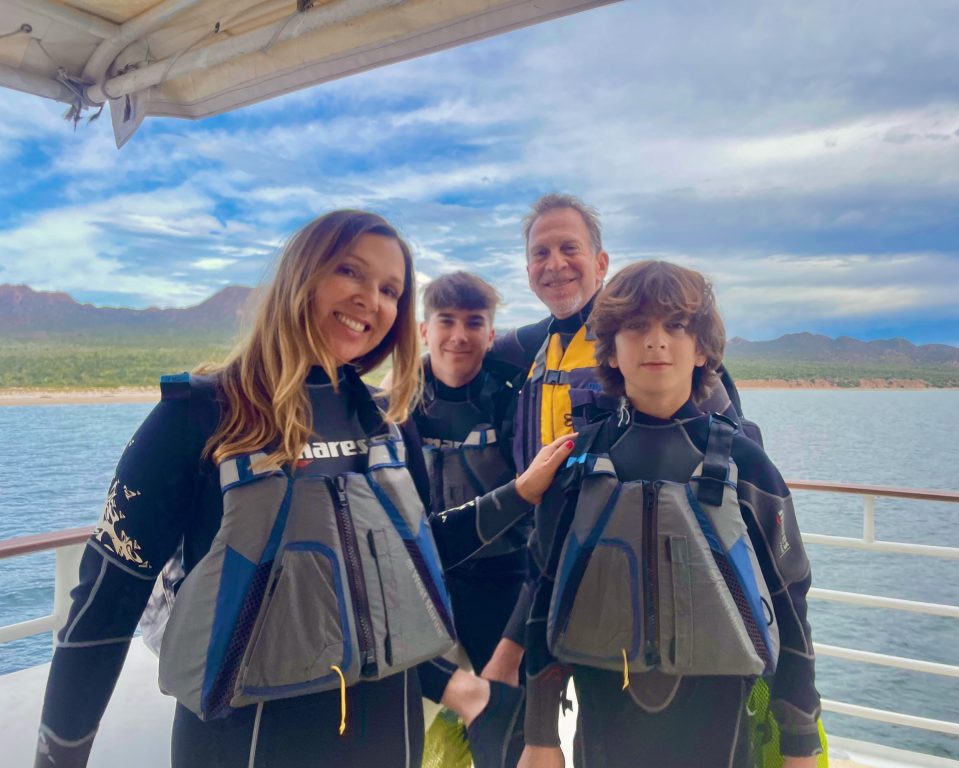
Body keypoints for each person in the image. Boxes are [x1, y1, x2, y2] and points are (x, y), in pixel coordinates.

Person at [34, 210, 573, 768]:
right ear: (302, 276)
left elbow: (417, 555)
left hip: (389, 737)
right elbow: (102, 610)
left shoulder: (384, 424)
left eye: (390, 289)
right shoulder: (200, 416)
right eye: (350, 271)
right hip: (244, 742)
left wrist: (520, 493)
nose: (372, 298)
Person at [518, 261, 822, 768]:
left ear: (702, 349)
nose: (656, 341)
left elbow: (791, 604)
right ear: (611, 351)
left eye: (676, 326)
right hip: (604, 721)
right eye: (636, 326)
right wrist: (540, 734)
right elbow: (543, 589)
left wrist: (800, 742)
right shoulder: (578, 462)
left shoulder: (745, 462)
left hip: (719, 724)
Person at [413, 272, 526, 676]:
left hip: (501, 579)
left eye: (474, 322)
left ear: (491, 335)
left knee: (502, 723)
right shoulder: (396, 403)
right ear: (425, 331)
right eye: (446, 321)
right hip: (419, 581)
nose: (459, 335)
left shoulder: (512, 403)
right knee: (421, 722)